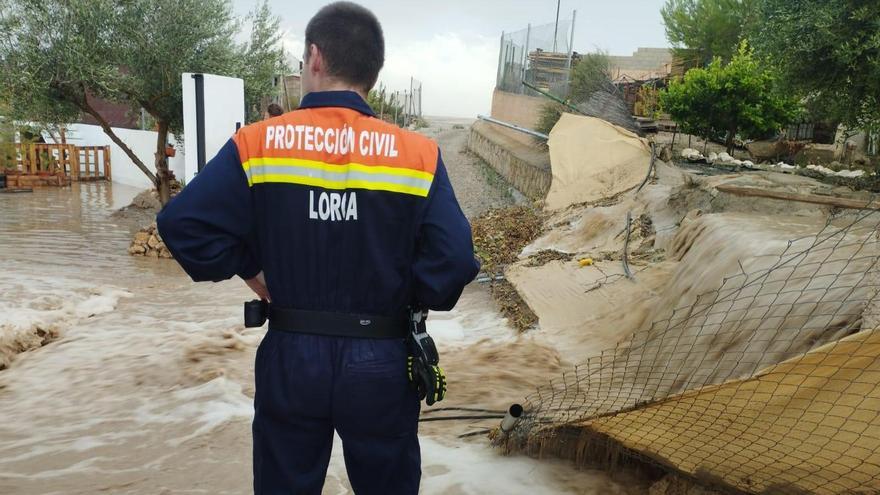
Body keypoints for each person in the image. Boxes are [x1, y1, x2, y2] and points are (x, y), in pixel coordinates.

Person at [156, 2, 479, 494]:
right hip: (384, 357)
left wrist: (249, 267)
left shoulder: (257, 143)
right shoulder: (419, 155)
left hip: (291, 356)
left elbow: (182, 226)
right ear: (374, 71)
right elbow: (454, 262)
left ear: (313, 57)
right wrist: (401, 294)